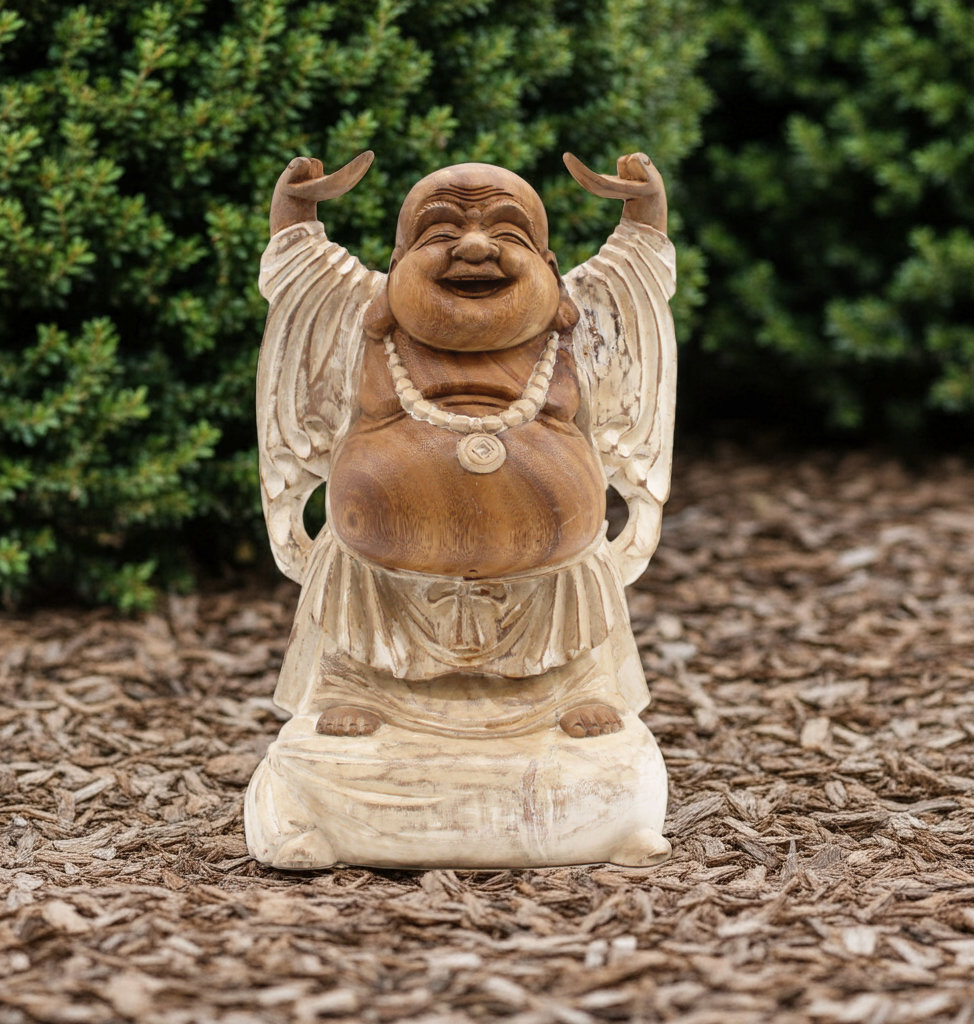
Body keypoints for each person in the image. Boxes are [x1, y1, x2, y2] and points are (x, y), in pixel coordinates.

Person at [248, 151, 676, 868]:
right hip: (385, 585)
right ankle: (364, 695)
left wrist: (644, 213)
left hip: (548, 586)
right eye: (440, 233)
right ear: (395, 265)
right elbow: (304, 278)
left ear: (548, 262)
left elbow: (633, 274)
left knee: (610, 758)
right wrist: (294, 214)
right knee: (334, 728)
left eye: (505, 232)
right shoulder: (365, 323)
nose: (474, 247)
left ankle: (572, 694)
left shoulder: (576, 328)